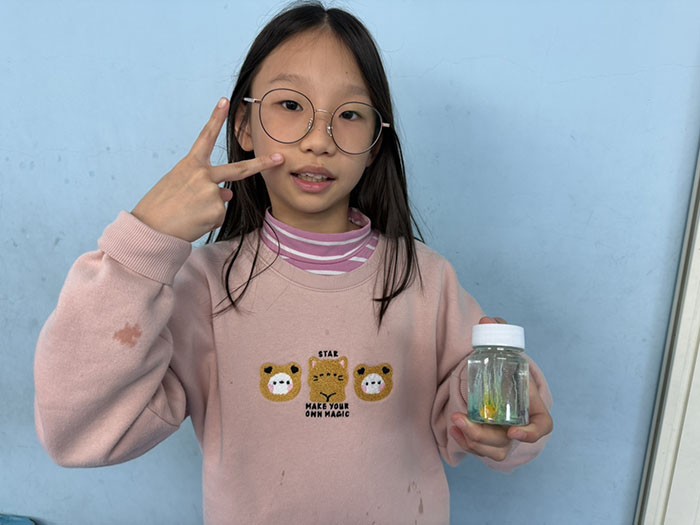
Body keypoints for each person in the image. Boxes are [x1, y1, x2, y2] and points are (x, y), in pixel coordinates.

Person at [34, 2, 553, 523]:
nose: (318, 140)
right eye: (289, 105)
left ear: (375, 144)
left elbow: (488, 417)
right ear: (244, 126)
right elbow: (77, 431)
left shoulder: (428, 279)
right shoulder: (204, 285)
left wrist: (501, 413)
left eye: (349, 115)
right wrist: (145, 241)